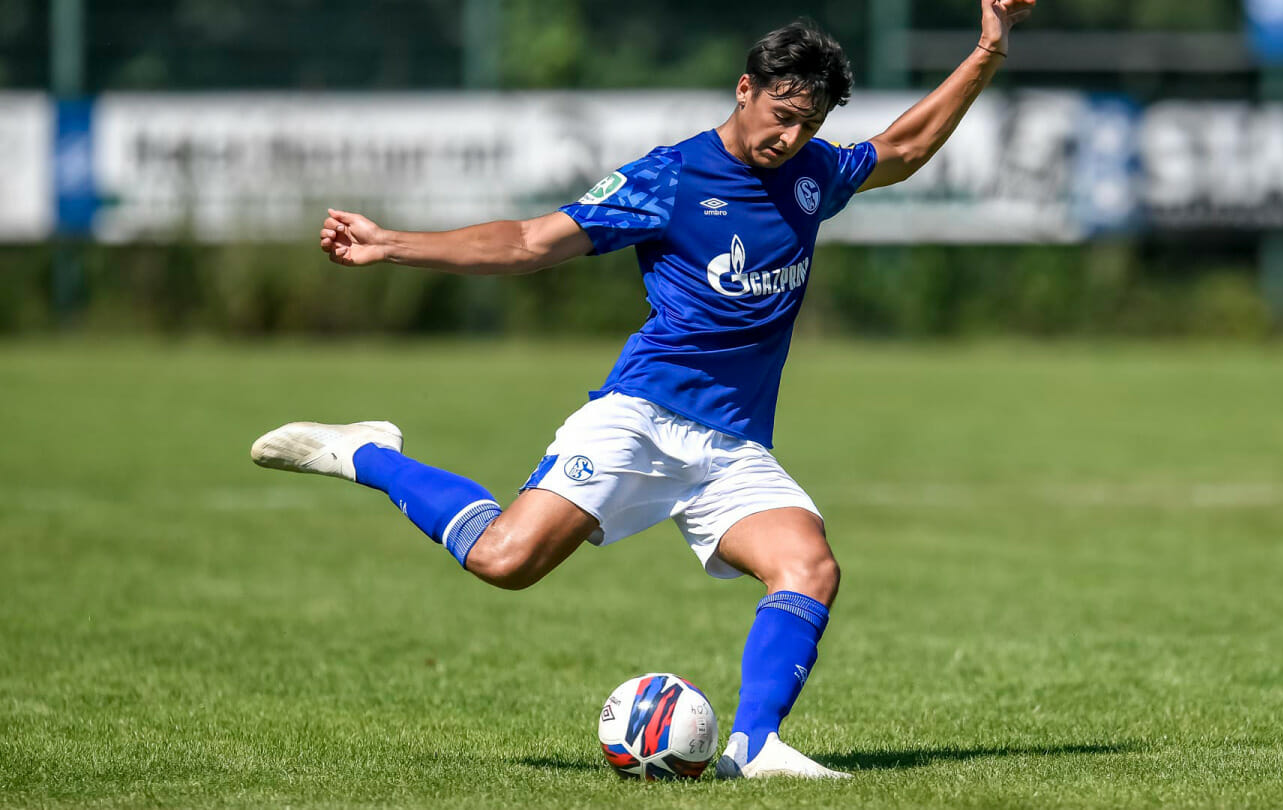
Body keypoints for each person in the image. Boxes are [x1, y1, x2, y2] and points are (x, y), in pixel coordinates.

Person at [252, 0, 1032, 780]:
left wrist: (987, 49)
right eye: (784, 114)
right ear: (744, 88)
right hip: (643, 419)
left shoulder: (813, 173)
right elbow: (528, 241)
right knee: (504, 560)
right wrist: (393, 245)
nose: (791, 136)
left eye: (811, 122)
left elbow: (905, 146)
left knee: (810, 566)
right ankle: (370, 453)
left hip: (732, 448)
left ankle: (754, 747)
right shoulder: (671, 176)